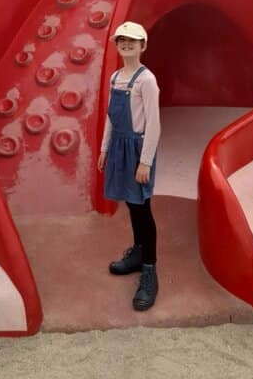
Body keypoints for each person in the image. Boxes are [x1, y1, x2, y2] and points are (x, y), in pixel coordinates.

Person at [97, 21, 161, 311]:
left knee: (142, 207)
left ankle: (149, 269)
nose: (126, 46)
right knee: (131, 205)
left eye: (132, 42)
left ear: (143, 46)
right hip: (119, 147)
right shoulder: (115, 78)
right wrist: (104, 148)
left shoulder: (146, 80)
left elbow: (155, 124)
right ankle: (137, 252)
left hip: (137, 149)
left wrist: (145, 161)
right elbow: (111, 116)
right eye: (122, 41)